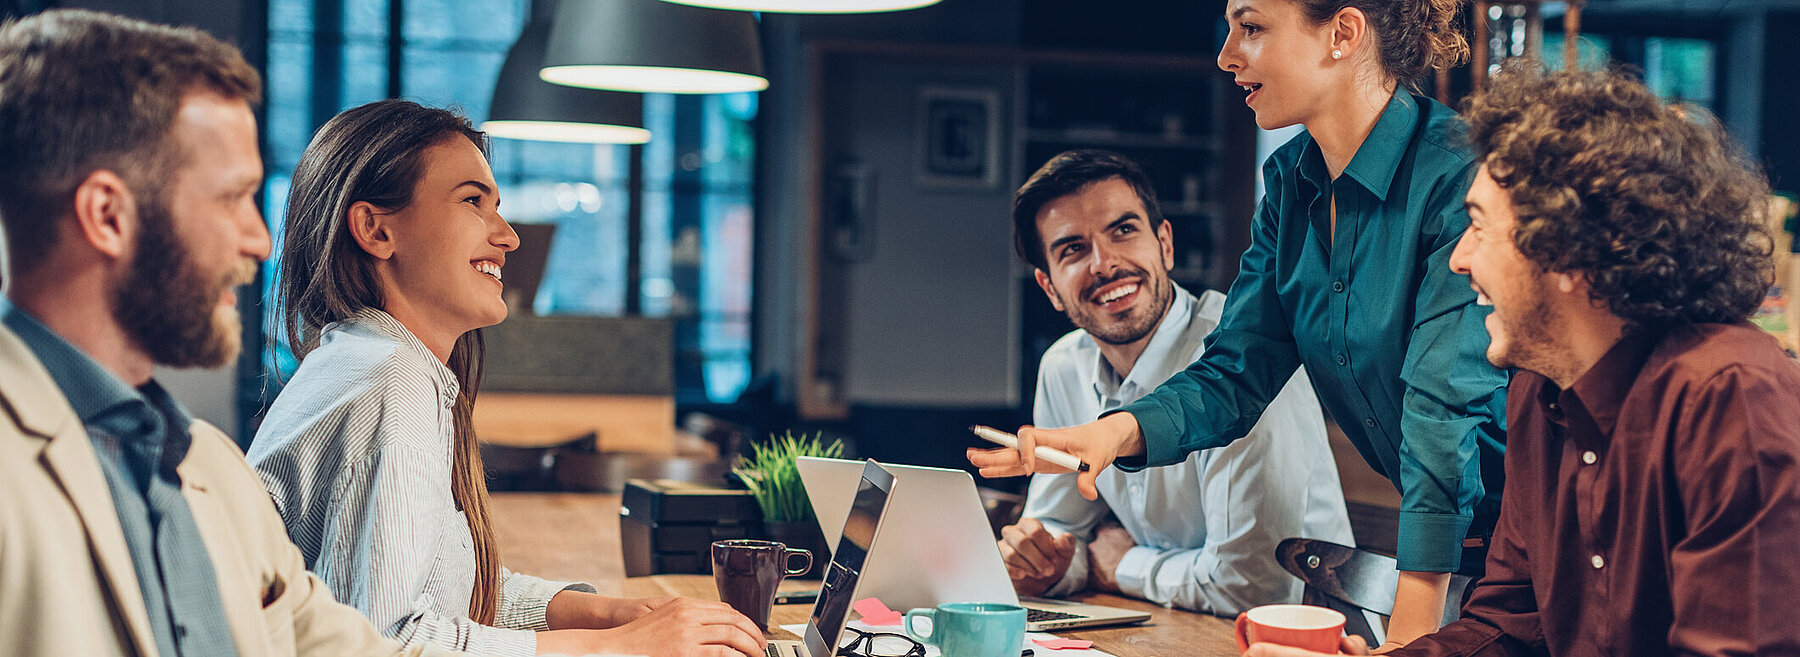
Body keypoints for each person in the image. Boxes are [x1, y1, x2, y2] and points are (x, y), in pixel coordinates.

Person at [971, 0, 1507, 646]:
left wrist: (1412, 636)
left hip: (1546, 532)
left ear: (1342, 34)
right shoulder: (1289, 186)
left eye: (1250, 28)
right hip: (1478, 555)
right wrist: (1111, 434)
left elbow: (1440, 419)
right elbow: (1234, 372)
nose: (1226, 55)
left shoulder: (1455, 173)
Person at [1250, 65, 1800, 657]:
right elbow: (1503, 628)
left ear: (1568, 251)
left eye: (1480, 228)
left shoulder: (1732, 398)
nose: (1459, 258)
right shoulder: (1539, 393)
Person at [0, 9, 462, 656]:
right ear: (108, 215)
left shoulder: (210, 465)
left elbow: (353, 648)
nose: (260, 238)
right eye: (231, 198)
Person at [246, 98, 763, 657]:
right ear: (375, 229)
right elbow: (386, 641)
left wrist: (612, 615)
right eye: (473, 202)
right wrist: (619, 648)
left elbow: (448, 591)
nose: (509, 236)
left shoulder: (368, 361)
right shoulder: (390, 383)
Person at [998, 149, 1353, 614]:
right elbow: (1061, 535)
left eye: (1123, 231)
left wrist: (1125, 565)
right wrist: (1044, 563)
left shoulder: (1247, 356)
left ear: (1164, 244)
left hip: (1307, 637)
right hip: (1169, 627)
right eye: (1073, 250)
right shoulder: (1064, 366)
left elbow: (1253, 587)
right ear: (1050, 289)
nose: (1104, 264)